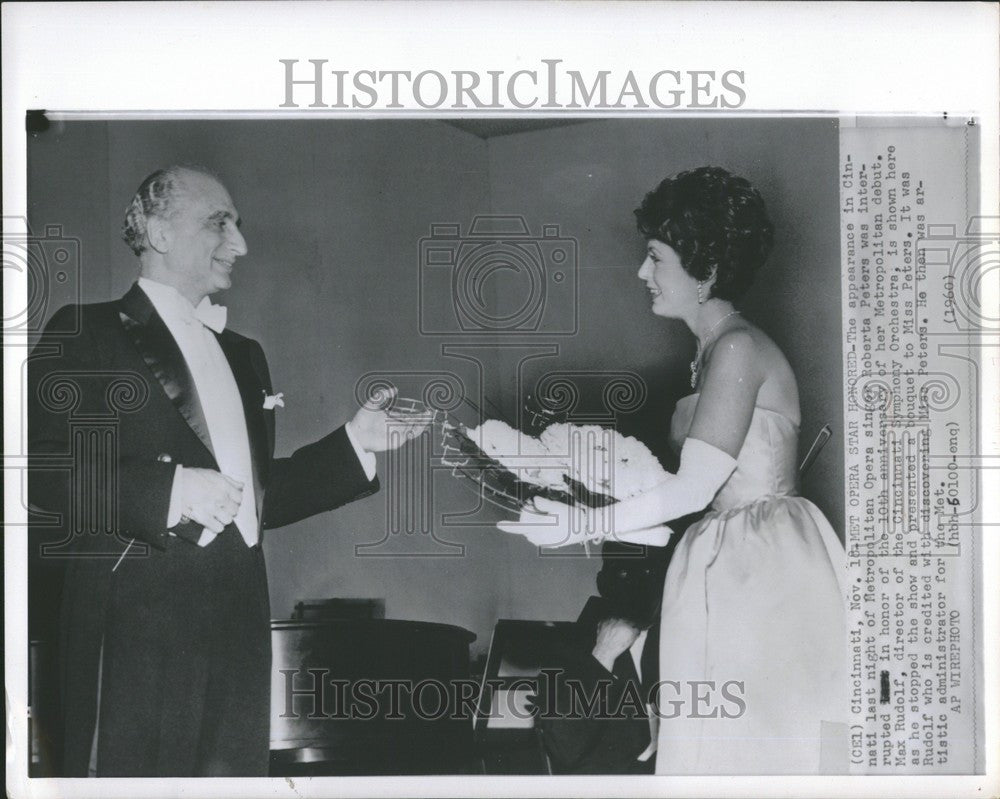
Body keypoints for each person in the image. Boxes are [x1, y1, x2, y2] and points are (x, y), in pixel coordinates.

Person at [27, 165, 431, 777]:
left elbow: (251, 498)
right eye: (220, 223)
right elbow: (38, 469)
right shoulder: (86, 332)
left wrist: (355, 443)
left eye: (238, 226)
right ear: (160, 233)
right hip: (137, 634)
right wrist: (166, 489)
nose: (239, 243)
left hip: (239, 630)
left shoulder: (245, 354)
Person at [500, 166, 847, 774]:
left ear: (705, 271)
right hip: (716, 554)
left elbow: (693, 486)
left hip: (760, 563)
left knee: (764, 743)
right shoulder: (711, 353)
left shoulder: (738, 348)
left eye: (655, 258)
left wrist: (580, 522)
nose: (642, 273)